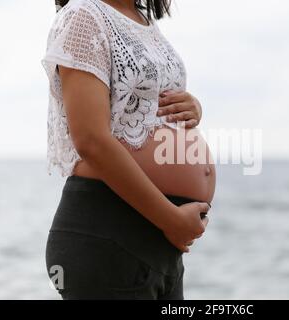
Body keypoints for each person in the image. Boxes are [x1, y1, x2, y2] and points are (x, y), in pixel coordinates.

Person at [42, 0, 216, 299]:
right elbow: (91, 140)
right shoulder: (83, 16)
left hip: (156, 241)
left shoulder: (141, 19)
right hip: (109, 230)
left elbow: (141, 106)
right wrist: (171, 219)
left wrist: (192, 108)